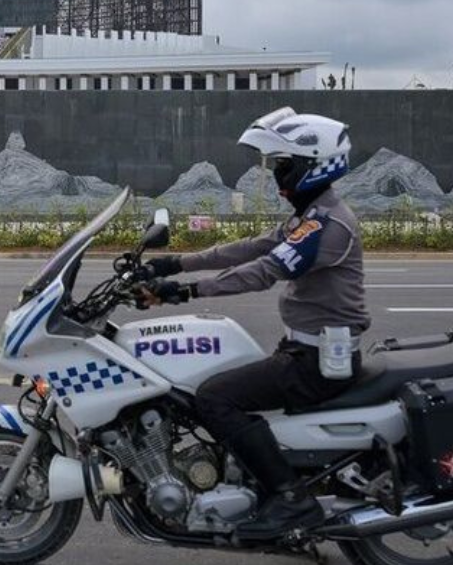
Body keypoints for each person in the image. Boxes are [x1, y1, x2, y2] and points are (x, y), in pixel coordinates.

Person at [137, 108, 370, 538]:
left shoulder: (329, 223)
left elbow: (264, 270)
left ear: (314, 166)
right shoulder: (313, 215)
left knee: (213, 398)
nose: (280, 176)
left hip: (317, 361)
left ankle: (291, 498)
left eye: (285, 166)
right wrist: (173, 264)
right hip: (306, 351)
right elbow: (248, 248)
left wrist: (185, 291)